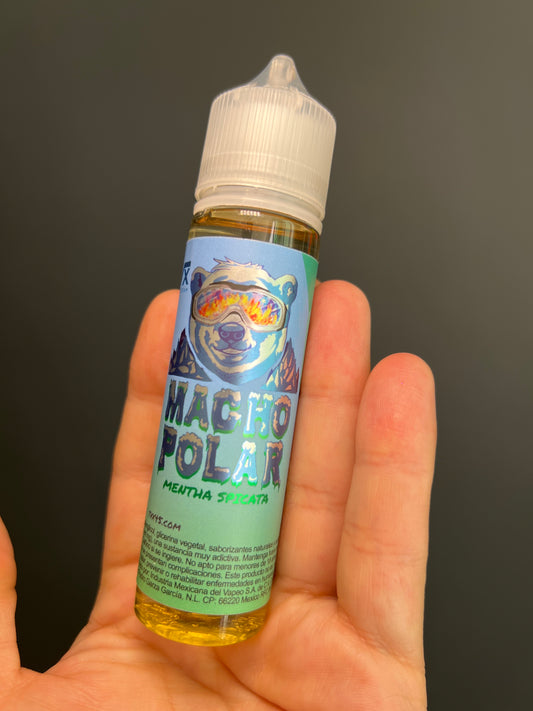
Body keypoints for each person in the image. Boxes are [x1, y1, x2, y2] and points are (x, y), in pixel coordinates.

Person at [0, 281, 437, 710]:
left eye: (260, 310)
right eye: (213, 303)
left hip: (243, 591)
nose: (234, 324)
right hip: (168, 579)